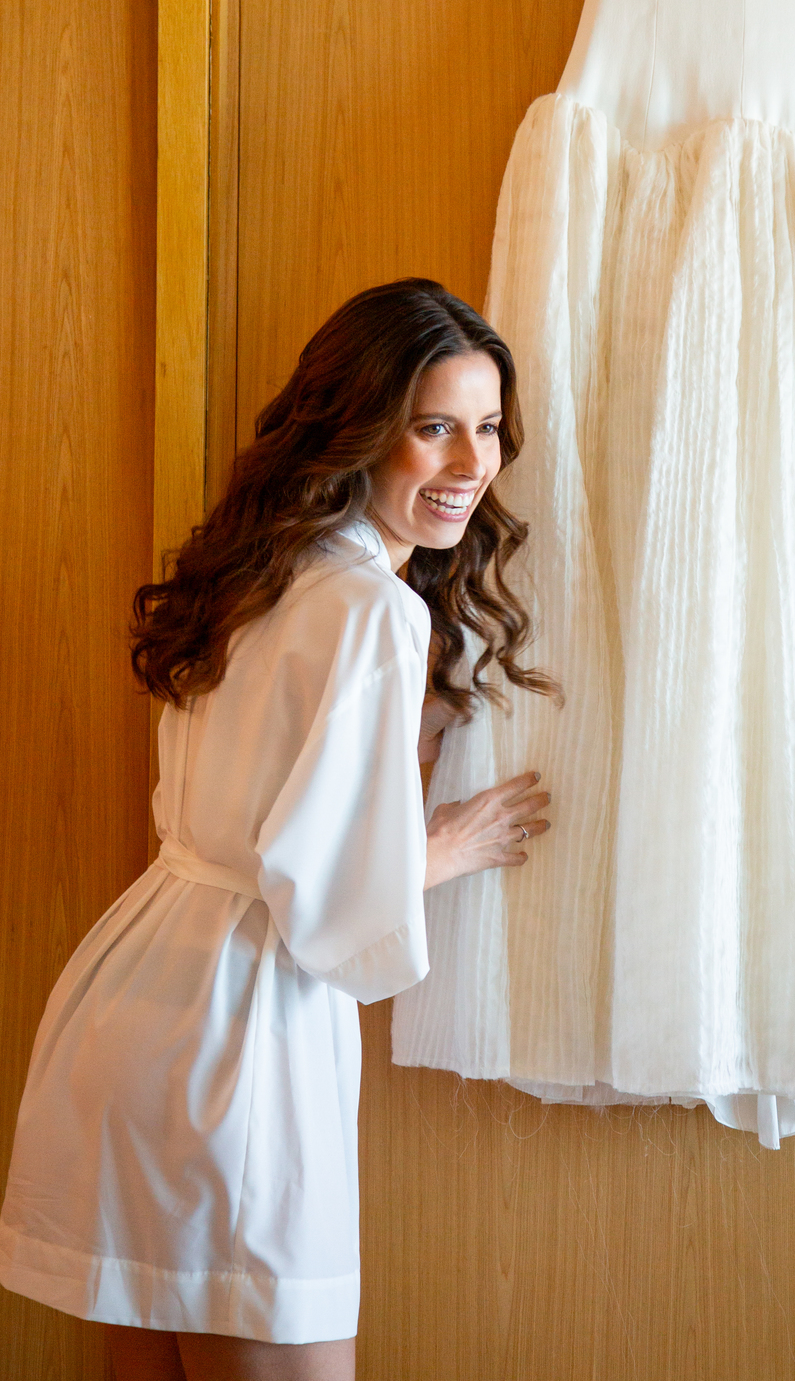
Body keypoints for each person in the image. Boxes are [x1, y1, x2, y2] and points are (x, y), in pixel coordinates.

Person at [0, 278, 554, 1380]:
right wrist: (447, 846)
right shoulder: (370, 612)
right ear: (357, 429)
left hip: (130, 997)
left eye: (487, 429)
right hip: (243, 1034)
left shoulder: (254, 572)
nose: (468, 464)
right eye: (432, 427)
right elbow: (336, 919)